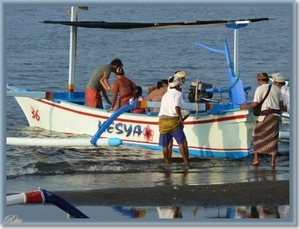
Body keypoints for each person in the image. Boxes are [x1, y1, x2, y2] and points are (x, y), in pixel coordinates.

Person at [239, 72, 284, 167]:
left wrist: (245, 107)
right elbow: (281, 106)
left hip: (265, 115)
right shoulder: (277, 89)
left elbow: (255, 104)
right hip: (275, 116)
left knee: (258, 136)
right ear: (268, 79)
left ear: (259, 80)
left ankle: (256, 159)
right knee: (273, 138)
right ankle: (272, 162)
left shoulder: (260, 89)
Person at [158, 75, 189, 166]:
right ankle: (186, 162)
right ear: (177, 85)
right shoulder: (178, 93)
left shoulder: (165, 95)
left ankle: (167, 163)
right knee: (181, 142)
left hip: (163, 120)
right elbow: (176, 107)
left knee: (165, 145)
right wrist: (180, 117)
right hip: (173, 121)